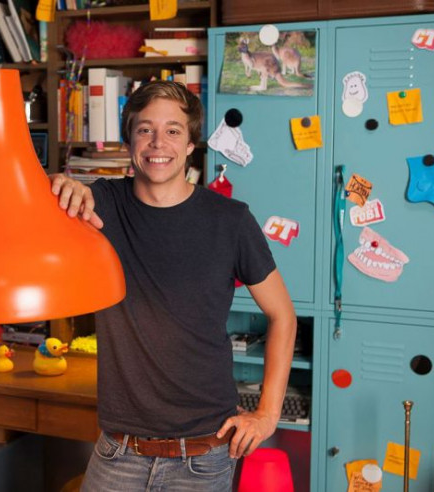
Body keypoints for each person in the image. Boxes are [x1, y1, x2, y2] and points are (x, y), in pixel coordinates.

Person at [50, 80, 296, 491]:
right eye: (145, 129)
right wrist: (59, 185)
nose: (157, 143)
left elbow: (282, 314)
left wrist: (268, 414)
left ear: (190, 145)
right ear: (129, 141)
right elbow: (34, 203)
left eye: (172, 130)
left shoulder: (231, 220)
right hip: (118, 454)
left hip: (204, 455)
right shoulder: (101, 205)